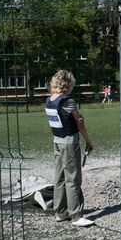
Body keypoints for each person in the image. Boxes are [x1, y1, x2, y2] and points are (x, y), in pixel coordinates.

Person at [44, 70, 95, 227]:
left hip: (57, 142)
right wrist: (88, 141)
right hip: (69, 143)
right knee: (73, 179)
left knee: (59, 178)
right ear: (68, 83)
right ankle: (76, 216)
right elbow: (79, 122)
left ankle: (60, 212)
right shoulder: (68, 101)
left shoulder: (49, 100)